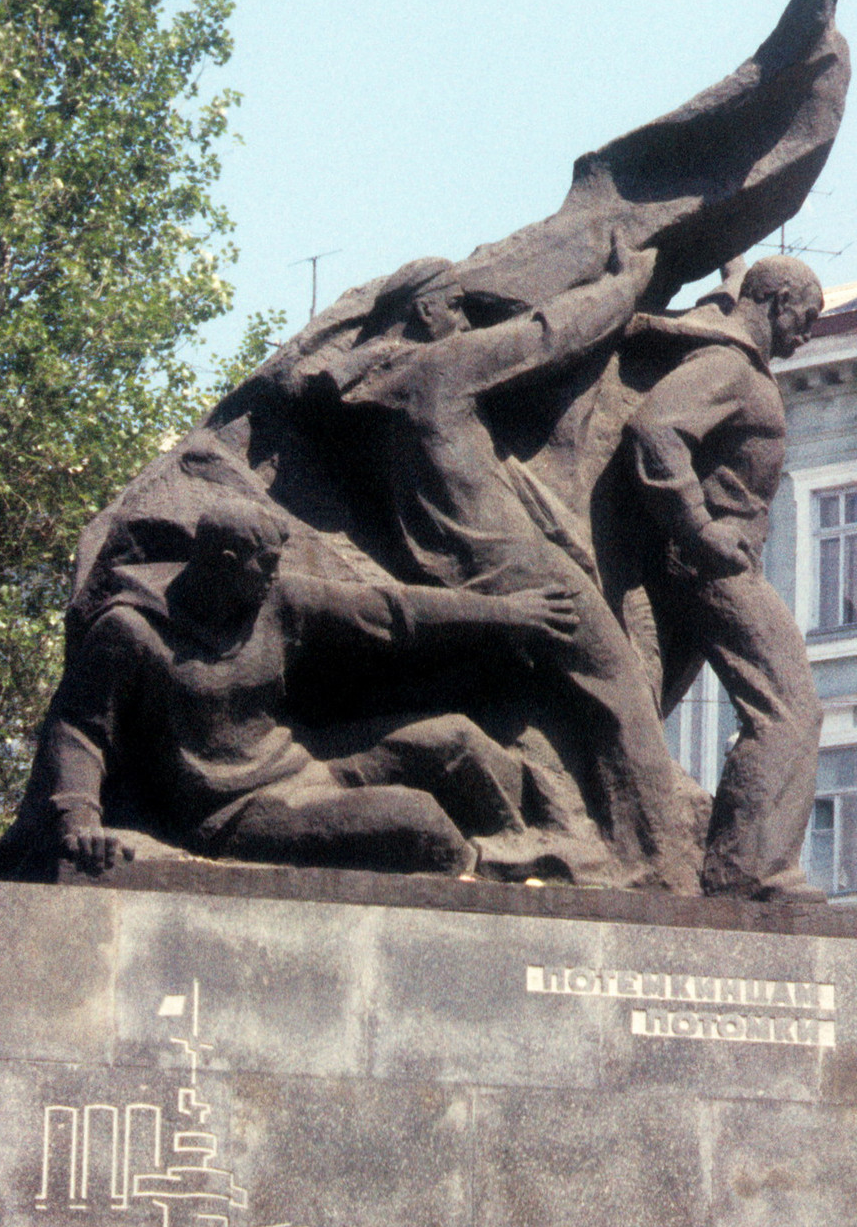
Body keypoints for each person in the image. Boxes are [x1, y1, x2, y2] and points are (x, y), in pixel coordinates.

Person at [290, 236, 698, 893]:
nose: (462, 321)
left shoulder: (370, 387)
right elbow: (546, 338)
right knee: (618, 689)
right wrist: (624, 285)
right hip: (514, 568)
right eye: (454, 307)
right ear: (425, 313)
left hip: (455, 574)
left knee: (534, 711)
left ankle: (567, 832)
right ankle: (656, 860)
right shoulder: (433, 371)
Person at [44, 496, 591, 878]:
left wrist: (507, 613)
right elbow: (78, 728)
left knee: (455, 740)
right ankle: (490, 883)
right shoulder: (131, 631)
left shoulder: (274, 601)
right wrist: (80, 820)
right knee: (419, 821)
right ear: (228, 564)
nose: (275, 578)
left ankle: (529, 853)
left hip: (304, 768)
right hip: (229, 816)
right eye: (267, 567)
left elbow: (392, 611)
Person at [618, 255, 826, 897]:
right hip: (711, 566)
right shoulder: (728, 365)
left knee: (643, 714)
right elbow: (654, 428)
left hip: (706, 561)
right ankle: (748, 869)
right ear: (775, 299)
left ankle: (620, 841)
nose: (807, 334)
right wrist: (699, 526)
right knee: (791, 708)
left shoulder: (737, 364)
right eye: (806, 318)